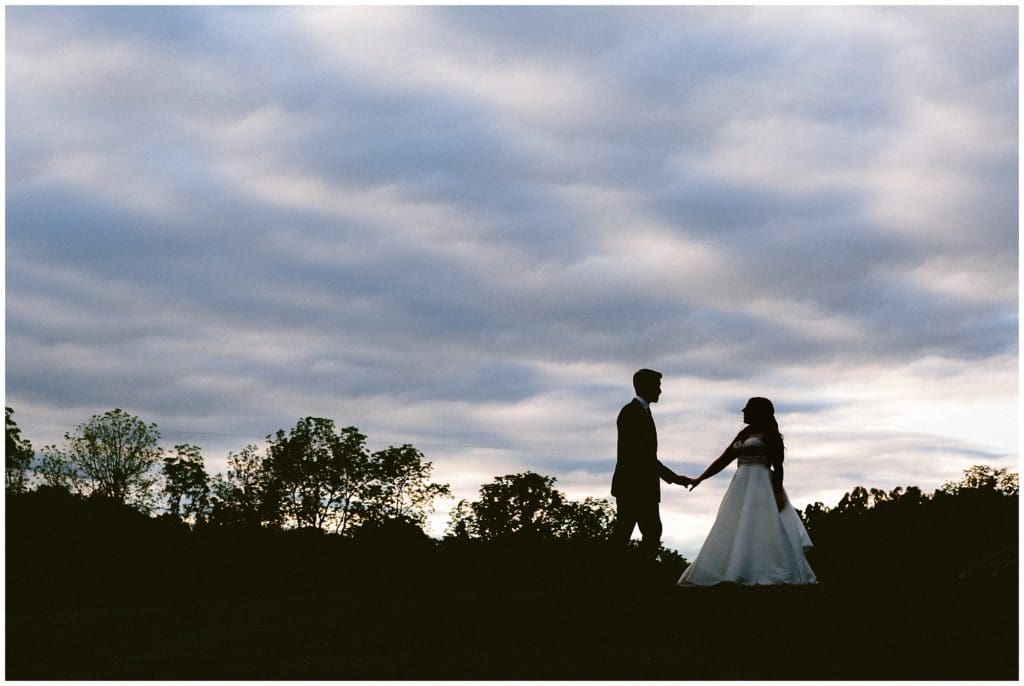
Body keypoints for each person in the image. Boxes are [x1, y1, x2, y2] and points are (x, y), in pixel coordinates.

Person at [677, 397, 816, 586]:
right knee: (736, 525)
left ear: (757, 412)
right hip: (741, 486)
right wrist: (700, 478)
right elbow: (723, 459)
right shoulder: (744, 434)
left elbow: (779, 467)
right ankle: (735, 569)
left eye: (747, 409)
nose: (743, 411)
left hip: (761, 486)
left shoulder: (771, 435)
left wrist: (777, 492)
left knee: (762, 527)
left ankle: (763, 571)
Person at [612, 368, 691, 561]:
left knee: (640, 532)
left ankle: (626, 576)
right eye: (657, 386)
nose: (660, 391)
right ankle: (631, 577)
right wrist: (674, 478)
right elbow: (642, 456)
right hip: (634, 486)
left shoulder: (642, 412)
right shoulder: (631, 413)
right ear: (645, 386)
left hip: (640, 487)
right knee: (640, 533)